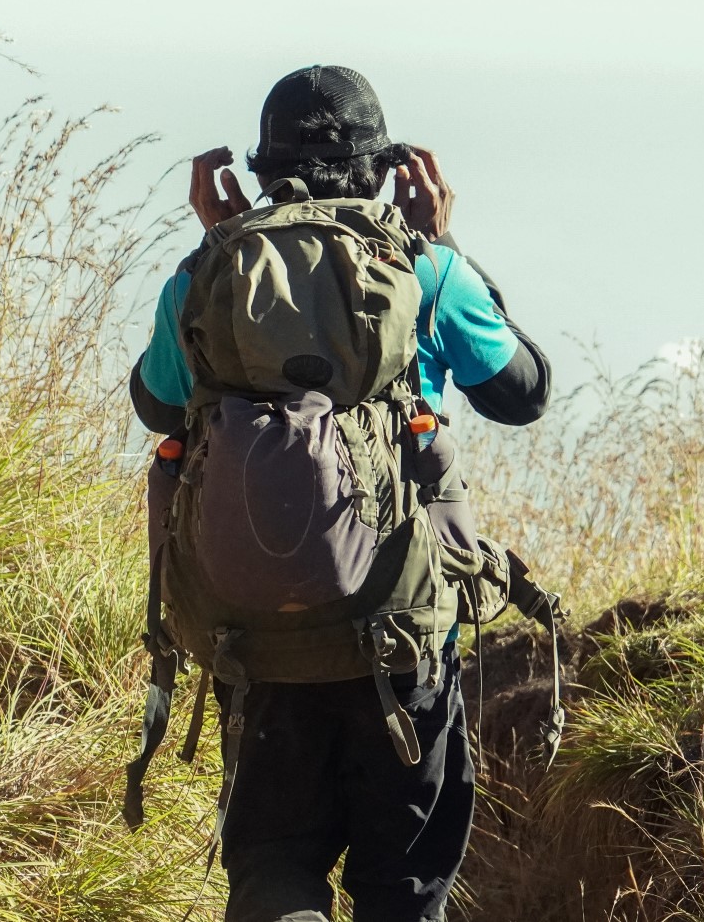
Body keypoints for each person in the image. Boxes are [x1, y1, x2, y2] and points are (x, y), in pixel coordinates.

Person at [128, 65, 551, 922]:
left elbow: (157, 402)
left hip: (258, 639)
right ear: (391, 169)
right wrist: (445, 249)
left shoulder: (205, 276)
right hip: (398, 632)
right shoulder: (422, 270)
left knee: (274, 870)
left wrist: (224, 248)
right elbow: (522, 390)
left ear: (256, 168)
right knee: (401, 890)